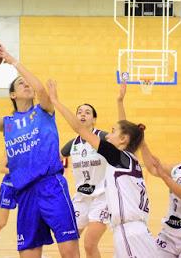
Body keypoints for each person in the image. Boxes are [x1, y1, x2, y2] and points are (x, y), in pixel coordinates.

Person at [0, 43, 80, 258]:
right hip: (25, 193)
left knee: (69, 253)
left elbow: (40, 89)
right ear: (12, 95)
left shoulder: (44, 111)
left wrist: (13, 61)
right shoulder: (7, 123)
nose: (26, 85)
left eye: (27, 82)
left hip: (51, 186)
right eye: (21, 84)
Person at [47, 80, 158, 258]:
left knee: (89, 244)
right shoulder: (127, 156)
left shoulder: (116, 155)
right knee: (69, 240)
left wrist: (55, 100)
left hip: (127, 226)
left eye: (113, 131)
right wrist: (119, 101)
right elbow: (126, 132)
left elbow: (78, 128)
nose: (109, 134)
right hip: (131, 226)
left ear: (122, 140)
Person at [60, 104, 109, 258]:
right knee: (69, 243)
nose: (83, 114)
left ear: (94, 119)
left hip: (102, 197)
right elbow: (55, 159)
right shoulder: (72, 144)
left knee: (89, 244)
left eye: (87, 112)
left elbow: (122, 146)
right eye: (79, 112)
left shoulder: (103, 137)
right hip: (81, 198)